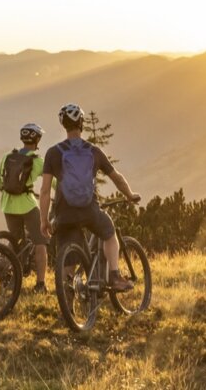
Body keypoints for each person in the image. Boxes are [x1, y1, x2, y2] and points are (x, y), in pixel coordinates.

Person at [38, 104, 140, 292]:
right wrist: (129, 195)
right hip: (89, 211)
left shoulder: (53, 153)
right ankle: (115, 276)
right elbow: (116, 177)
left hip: (64, 212)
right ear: (81, 124)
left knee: (68, 258)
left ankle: (67, 302)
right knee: (109, 232)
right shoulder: (93, 151)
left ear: (64, 125)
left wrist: (44, 220)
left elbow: (45, 191)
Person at [0, 123, 50, 292]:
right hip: (27, 206)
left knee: (16, 242)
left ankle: (9, 280)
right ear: (37, 140)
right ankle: (40, 284)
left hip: (7, 205)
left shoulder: (7, 157)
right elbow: (55, 182)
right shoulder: (38, 161)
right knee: (41, 242)